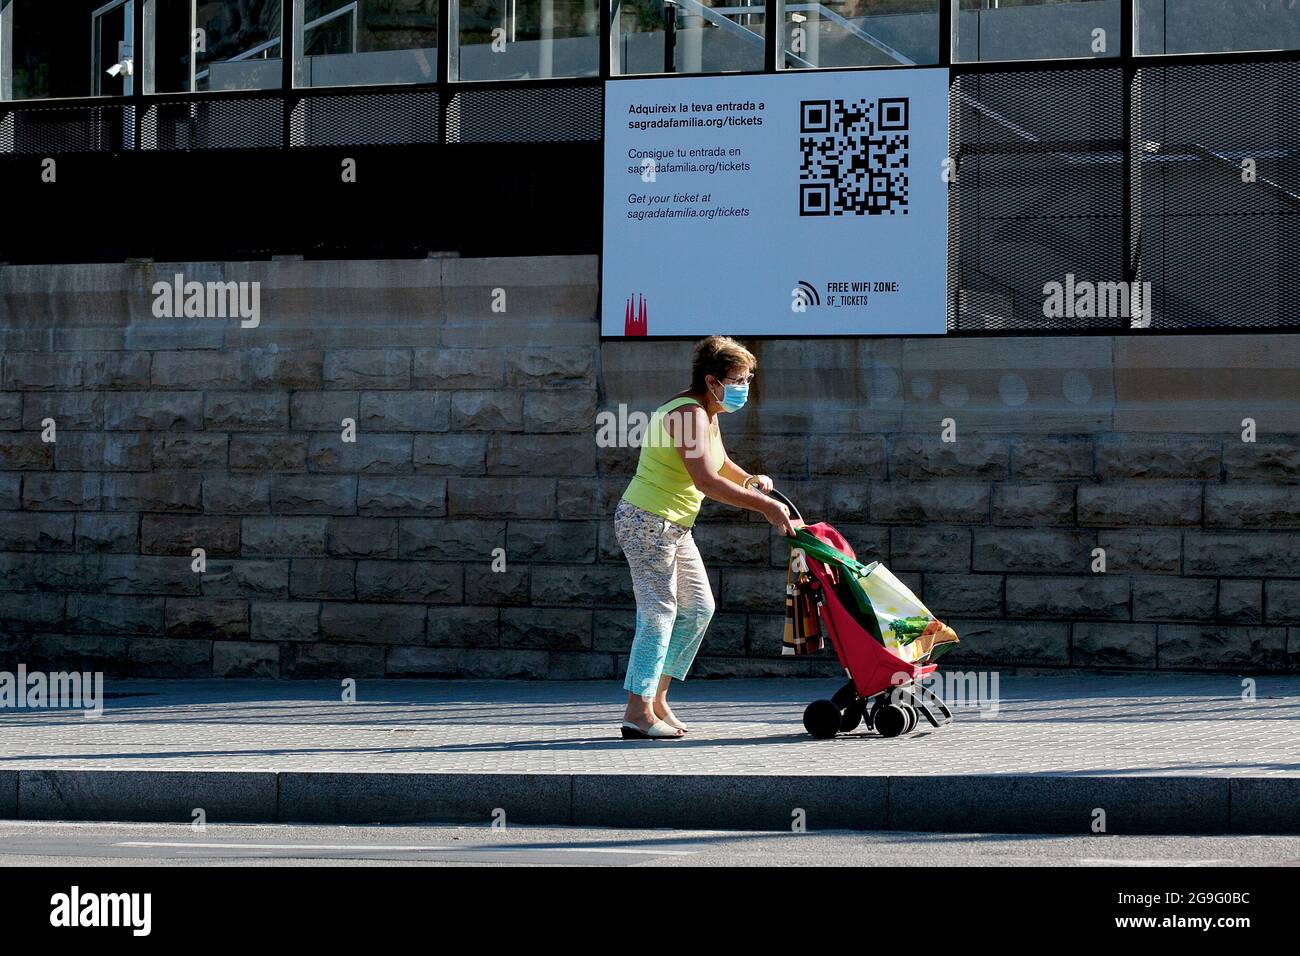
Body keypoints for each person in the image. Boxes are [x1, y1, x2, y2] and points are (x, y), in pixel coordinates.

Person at [614, 335, 803, 739]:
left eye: (748, 378)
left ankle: (657, 700)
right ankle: (637, 711)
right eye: (737, 378)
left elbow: (720, 463)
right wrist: (765, 506)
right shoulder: (687, 413)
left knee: (698, 609)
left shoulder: (706, 412)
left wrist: (750, 480)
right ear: (712, 379)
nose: (744, 387)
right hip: (648, 521)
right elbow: (706, 480)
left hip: (674, 525)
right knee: (659, 613)